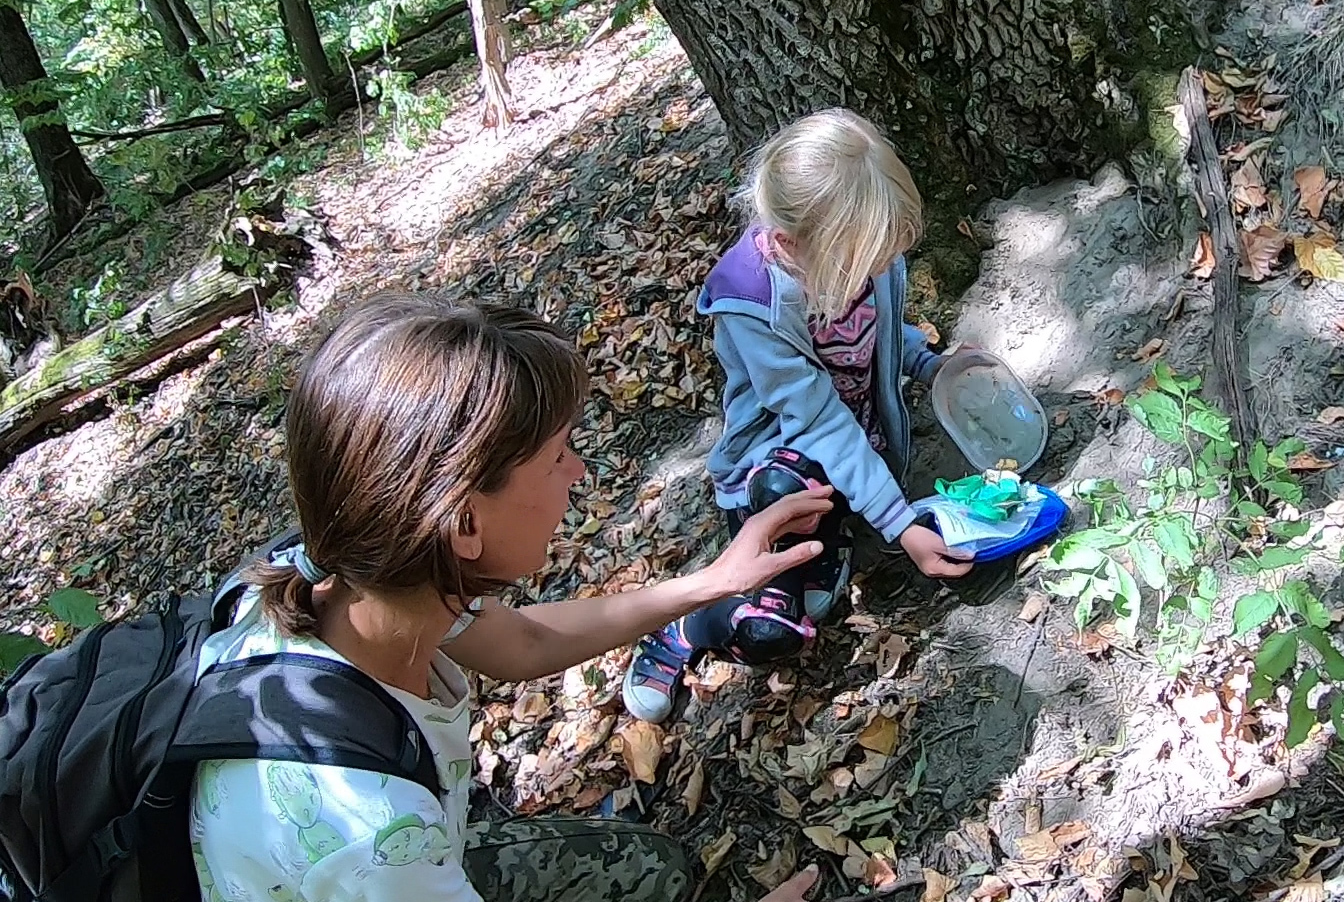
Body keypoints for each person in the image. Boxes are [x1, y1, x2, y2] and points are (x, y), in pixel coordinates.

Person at [189, 294, 824, 902]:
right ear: (464, 525)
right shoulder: (375, 837)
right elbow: (384, 855)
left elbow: (523, 642)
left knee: (654, 867)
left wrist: (713, 581)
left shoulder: (352, 576)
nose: (578, 471)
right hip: (388, 862)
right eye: (555, 458)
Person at [623, 108, 979, 723]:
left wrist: (929, 364)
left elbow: (881, 333)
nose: (877, 272)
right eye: (863, 264)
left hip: (850, 453)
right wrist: (900, 524)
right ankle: (687, 627)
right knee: (772, 631)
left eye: (882, 259)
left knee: (818, 604)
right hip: (784, 468)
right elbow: (815, 420)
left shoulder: (862, 251)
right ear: (791, 245)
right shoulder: (753, 302)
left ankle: (829, 541)